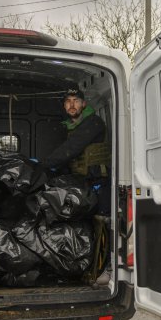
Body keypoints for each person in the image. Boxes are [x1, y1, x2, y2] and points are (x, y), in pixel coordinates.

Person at [41, 88, 112, 285]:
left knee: (102, 224)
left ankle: (106, 269)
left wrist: (42, 164)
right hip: (83, 184)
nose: (72, 104)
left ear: (84, 104)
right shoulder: (70, 127)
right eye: (68, 101)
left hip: (100, 184)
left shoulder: (93, 123)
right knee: (84, 226)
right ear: (64, 106)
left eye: (76, 100)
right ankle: (84, 268)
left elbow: (71, 149)